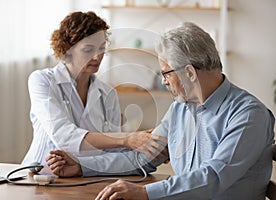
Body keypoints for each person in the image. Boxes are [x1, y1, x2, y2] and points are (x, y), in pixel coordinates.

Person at [46, 22, 275, 199]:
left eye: (166, 72)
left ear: (190, 73)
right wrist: (83, 166)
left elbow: (213, 177)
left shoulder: (248, 115)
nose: (163, 81)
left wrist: (144, 193)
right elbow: (142, 157)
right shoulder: (180, 109)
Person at [22, 11, 167, 166]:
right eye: (88, 49)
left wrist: (151, 147)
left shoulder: (107, 93)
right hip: (40, 174)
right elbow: (64, 136)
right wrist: (127, 139)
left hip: (84, 176)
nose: (97, 57)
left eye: (101, 48)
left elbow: (114, 149)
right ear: (68, 48)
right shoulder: (42, 81)